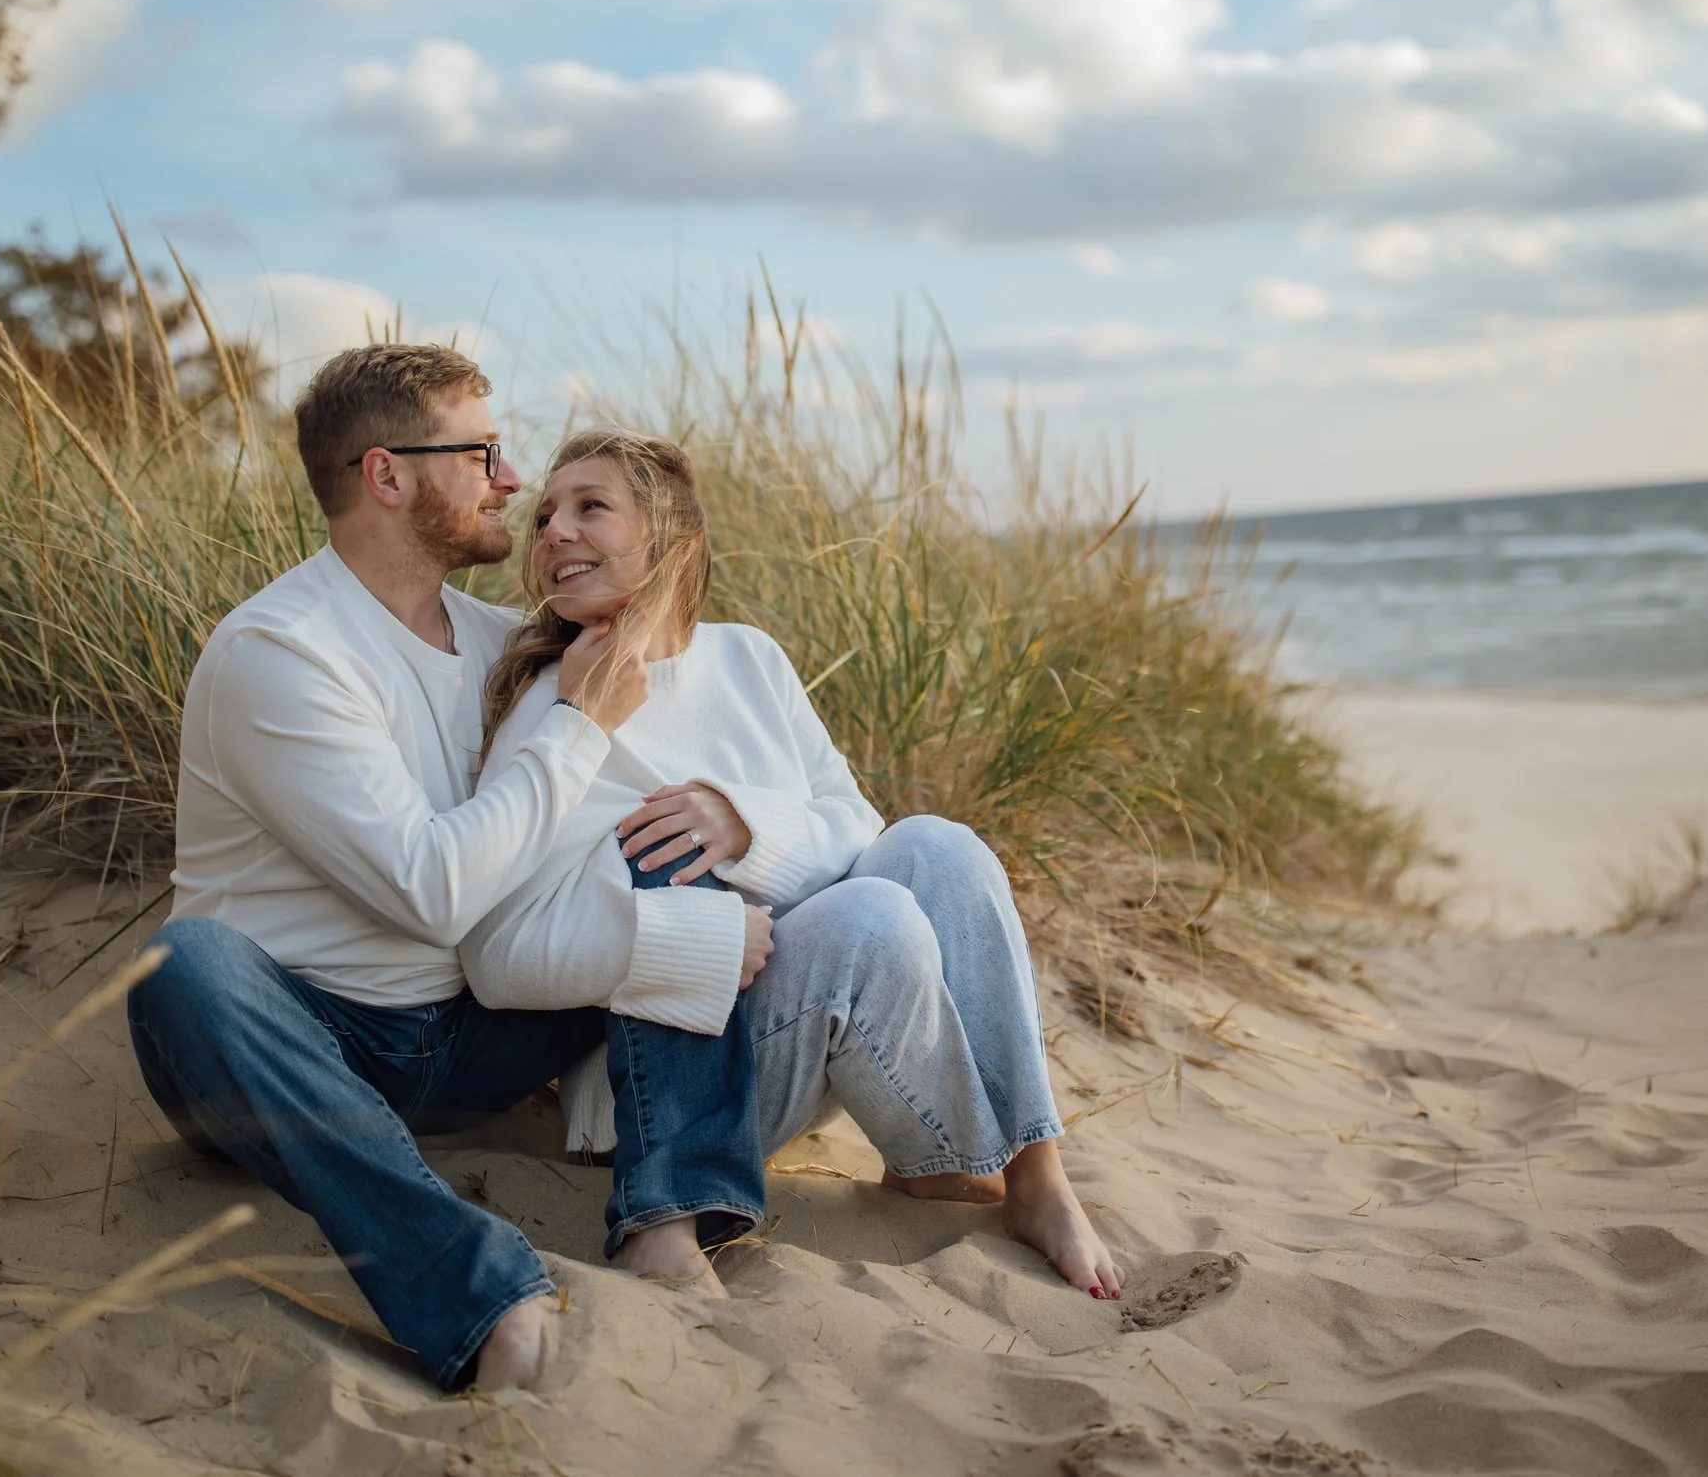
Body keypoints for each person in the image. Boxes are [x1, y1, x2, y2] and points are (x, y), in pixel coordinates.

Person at [125, 344, 763, 1396]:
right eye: (481, 452)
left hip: (468, 1030)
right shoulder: (280, 652)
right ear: (387, 475)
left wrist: (728, 828)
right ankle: (480, 1296)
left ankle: (668, 1210)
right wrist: (572, 725)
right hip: (294, 1044)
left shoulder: (500, 640)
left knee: (665, 834)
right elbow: (430, 889)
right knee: (184, 964)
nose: (512, 480)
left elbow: (626, 763)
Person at [460, 429, 1125, 1299]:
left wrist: (746, 829)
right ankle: (942, 1166)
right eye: (546, 513)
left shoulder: (748, 658)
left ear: (671, 536)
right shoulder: (557, 706)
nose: (553, 530)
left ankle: (1039, 1179)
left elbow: (859, 825)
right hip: (662, 1095)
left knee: (935, 844)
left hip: (800, 1020)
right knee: (870, 916)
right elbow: (500, 950)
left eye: (592, 507)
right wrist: (689, 932)